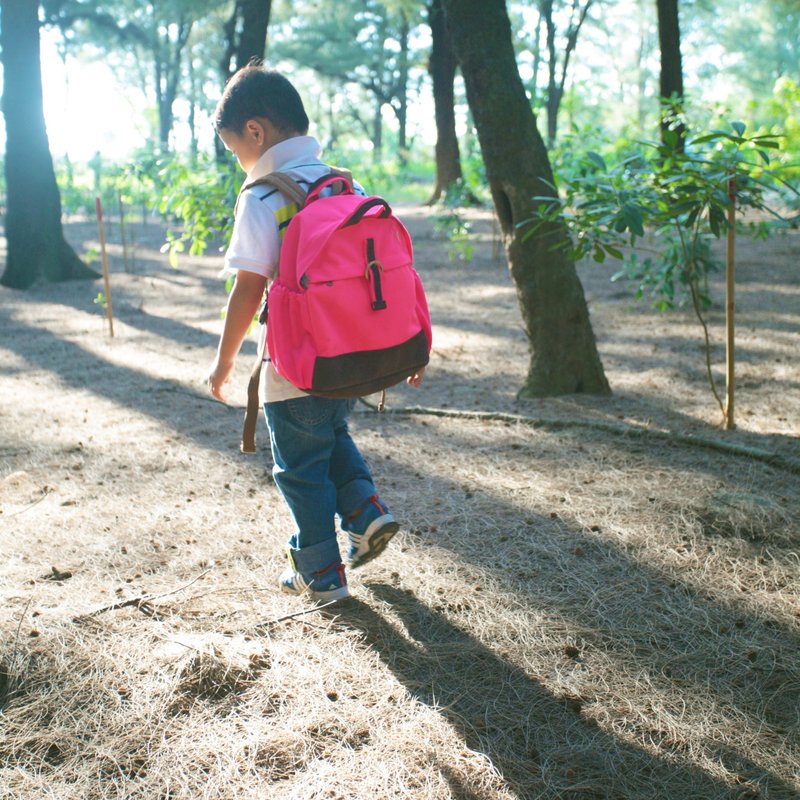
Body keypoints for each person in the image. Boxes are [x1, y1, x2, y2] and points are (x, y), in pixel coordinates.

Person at [207, 65, 424, 603]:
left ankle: (320, 571)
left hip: (295, 363)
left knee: (299, 467)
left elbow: (248, 289)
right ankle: (366, 511)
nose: (240, 161)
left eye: (236, 149)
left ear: (255, 132)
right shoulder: (346, 185)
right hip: (351, 357)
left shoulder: (263, 196)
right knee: (329, 436)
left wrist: (224, 360)